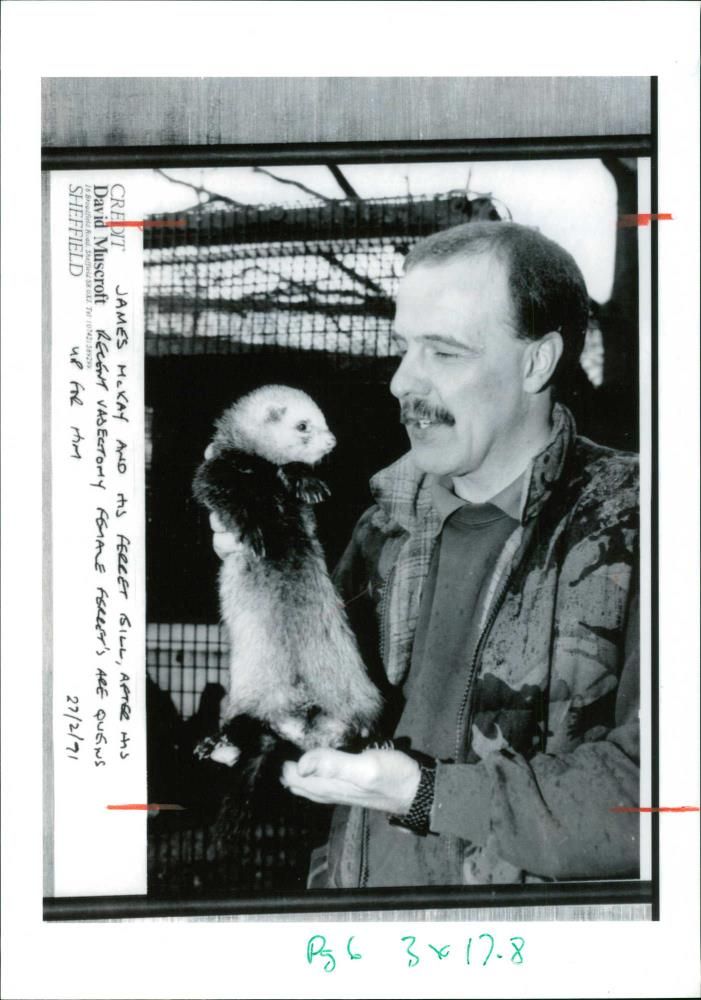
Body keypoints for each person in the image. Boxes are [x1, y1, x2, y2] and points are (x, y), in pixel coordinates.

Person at [211, 221, 640, 888]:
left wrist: (425, 792)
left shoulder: (637, 525)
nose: (400, 383)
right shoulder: (384, 525)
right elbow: (316, 727)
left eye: (442, 352)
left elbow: (658, 795)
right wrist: (253, 566)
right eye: (402, 349)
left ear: (537, 361)